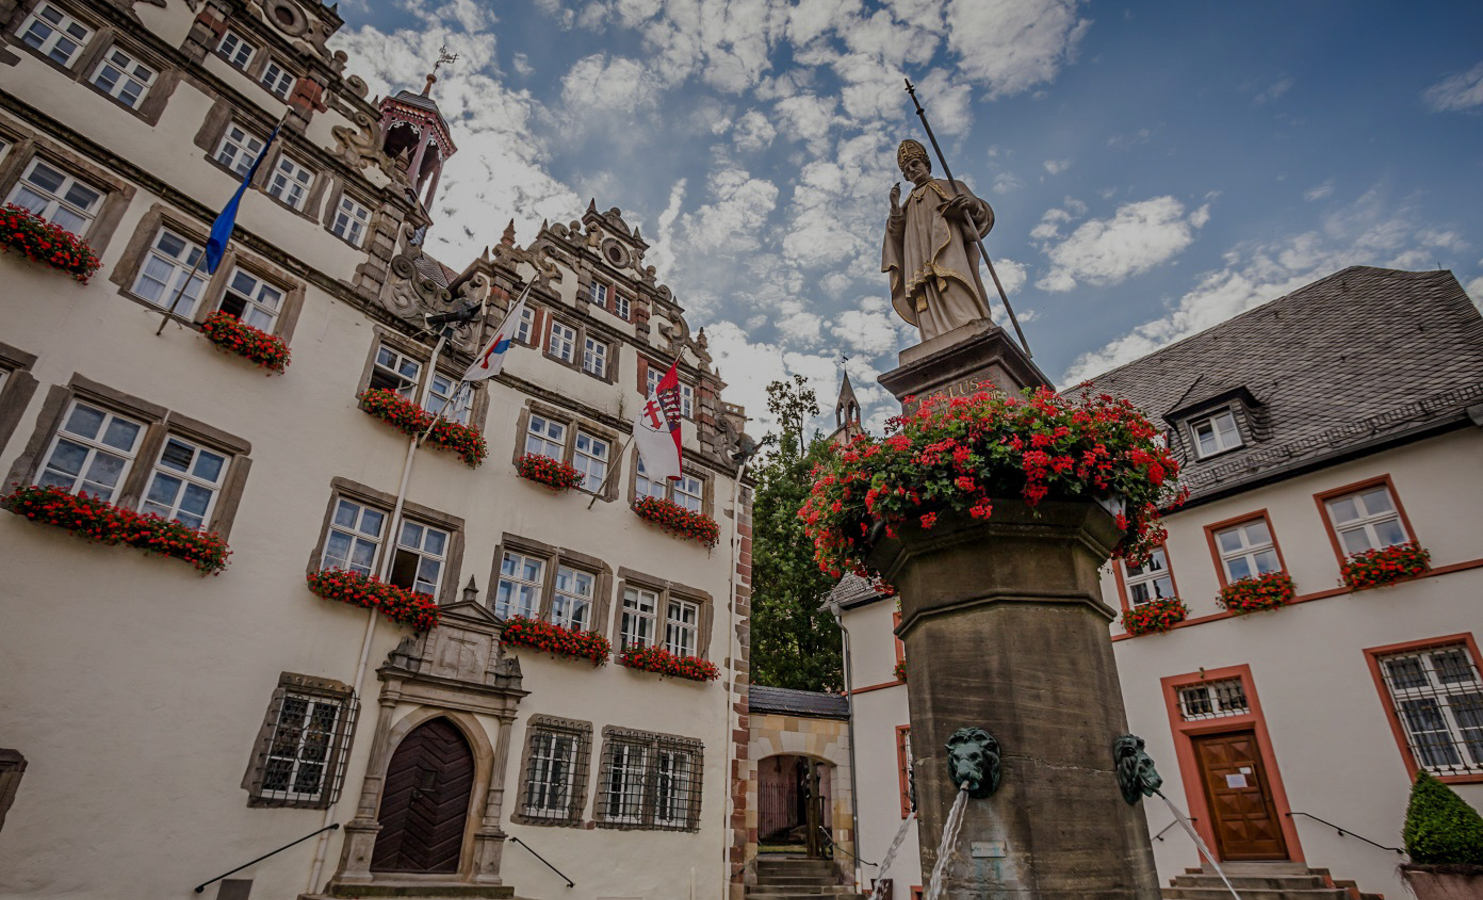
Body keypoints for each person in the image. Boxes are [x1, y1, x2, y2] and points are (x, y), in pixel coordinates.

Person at [881, 138, 996, 342]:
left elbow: (980, 212)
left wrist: (971, 204)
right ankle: (933, 335)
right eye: (907, 170)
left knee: (952, 278)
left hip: (946, 247)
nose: (912, 170)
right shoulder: (908, 204)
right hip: (917, 256)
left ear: (926, 164)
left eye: (915, 164)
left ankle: (968, 320)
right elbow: (896, 234)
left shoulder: (950, 186)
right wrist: (895, 207)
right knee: (924, 290)